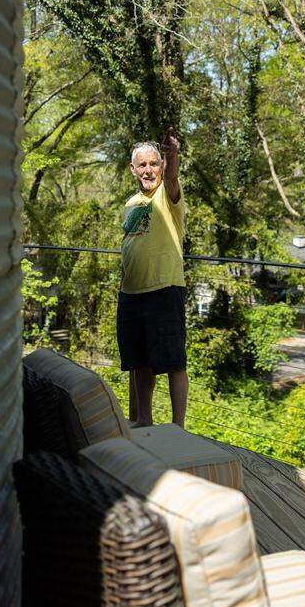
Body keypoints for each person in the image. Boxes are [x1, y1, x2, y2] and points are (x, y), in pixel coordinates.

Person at [116, 128, 188, 427]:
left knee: (173, 361)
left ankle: (178, 427)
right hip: (131, 293)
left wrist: (172, 155)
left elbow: (172, 179)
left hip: (164, 288)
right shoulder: (131, 203)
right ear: (133, 170)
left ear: (161, 166)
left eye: (153, 163)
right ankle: (144, 419)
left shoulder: (168, 194)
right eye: (142, 165)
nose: (148, 169)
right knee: (139, 361)